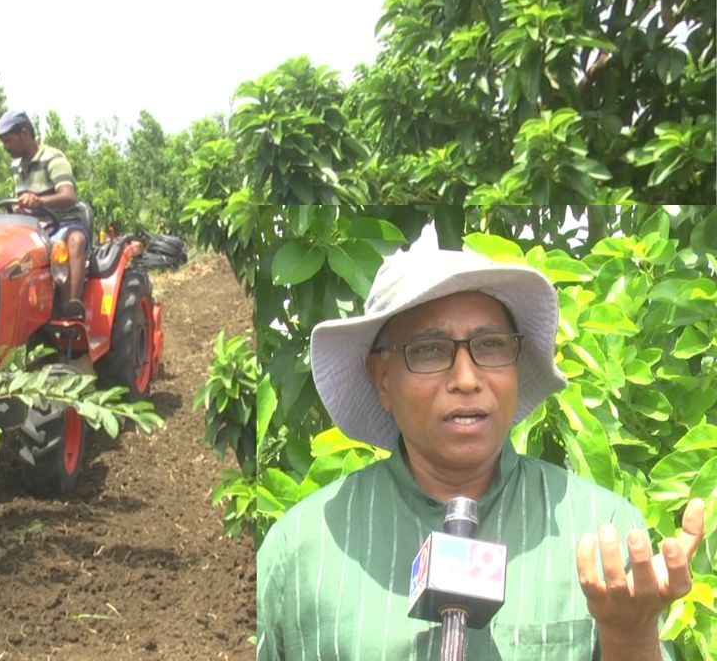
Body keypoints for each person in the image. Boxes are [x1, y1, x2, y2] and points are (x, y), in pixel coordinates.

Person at [256, 248, 705, 660]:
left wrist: (630, 634)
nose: (467, 378)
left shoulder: (602, 533)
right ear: (383, 378)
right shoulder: (300, 552)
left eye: (491, 345)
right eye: (429, 350)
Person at [0, 109, 89, 319]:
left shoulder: (54, 158)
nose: (6, 147)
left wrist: (39, 201)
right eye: (3, 142)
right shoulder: (16, 166)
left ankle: (71, 306)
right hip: (32, 227)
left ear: (25, 133)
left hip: (63, 224)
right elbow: (22, 199)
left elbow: (69, 196)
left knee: (73, 241)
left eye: (9, 141)